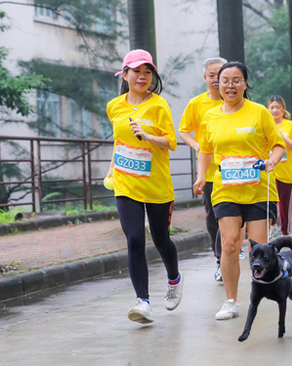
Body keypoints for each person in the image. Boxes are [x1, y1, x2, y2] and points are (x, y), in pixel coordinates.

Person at [193, 61, 286, 320]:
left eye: (236, 80)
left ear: (245, 84)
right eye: (225, 80)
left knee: (259, 249)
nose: (230, 85)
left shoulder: (259, 113)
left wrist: (272, 160)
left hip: (258, 190)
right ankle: (231, 301)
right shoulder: (210, 116)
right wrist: (201, 175)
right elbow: (206, 150)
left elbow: (278, 145)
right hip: (226, 189)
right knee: (230, 244)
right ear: (217, 84)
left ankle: (262, 292)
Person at [106, 49, 183, 324]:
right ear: (124, 75)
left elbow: (171, 142)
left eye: (147, 72)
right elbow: (119, 142)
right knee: (135, 239)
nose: (142, 76)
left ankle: (174, 278)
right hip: (125, 184)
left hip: (157, 185)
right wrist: (112, 168)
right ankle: (143, 302)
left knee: (161, 240)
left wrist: (148, 136)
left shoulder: (159, 105)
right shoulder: (114, 106)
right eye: (137, 71)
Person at [179, 57, 227, 282]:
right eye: (212, 75)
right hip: (208, 170)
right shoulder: (196, 104)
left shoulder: (238, 100)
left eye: (220, 75)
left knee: (235, 213)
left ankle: (231, 248)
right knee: (213, 215)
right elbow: (184, 130)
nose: (216, 80)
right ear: (205, 78)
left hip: (234, 169)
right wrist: (198, 145)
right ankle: (220, 260)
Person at [268, 95, 292, 237]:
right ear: (268, 109)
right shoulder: (265, 125)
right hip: (269, 171)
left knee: (285, 205)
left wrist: (282, 136)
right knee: (270, 202)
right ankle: (272, 226)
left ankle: (285, 232)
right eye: (272, 107)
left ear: (283, 109)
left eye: (278, 107)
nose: (275, 110)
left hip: (286, 172)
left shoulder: (290, 125)